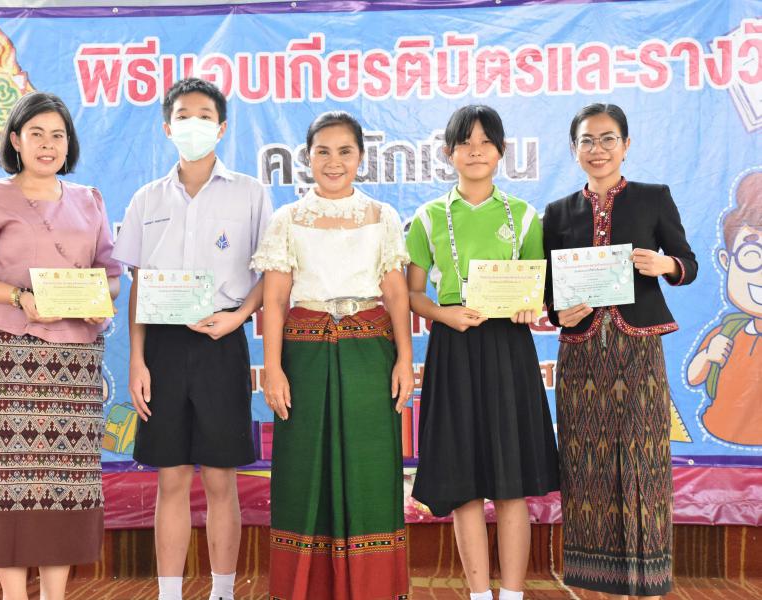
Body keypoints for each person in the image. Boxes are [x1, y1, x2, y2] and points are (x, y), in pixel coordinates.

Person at [0, 91, 122, 600]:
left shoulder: (89, 199)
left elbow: (110, 276)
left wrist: (99, 300)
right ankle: (14, 594)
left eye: (58, 135)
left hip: (74, 360)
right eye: (37, 134)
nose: (48, 144)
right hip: (10, 355)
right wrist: (20, 298)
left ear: (69, 144)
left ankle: (54, 595)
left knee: (67, 482)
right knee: (10, 480)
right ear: (16, 141)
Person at [111, 78, 272, 600]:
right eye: (183, 115)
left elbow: (272, 273)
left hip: (221, 339)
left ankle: (223, 590)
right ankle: (170, 593)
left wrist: (239, 317)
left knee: (221, 477)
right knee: (172, 477)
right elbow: (137, 283)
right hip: (162, 346)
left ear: (221, 128)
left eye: (205, 115)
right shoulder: (147, 198)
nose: (194, 124)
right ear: (167, 127)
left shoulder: (250, 192)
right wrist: (137, 360)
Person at [252, 110, 413, 599]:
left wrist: (404, 361)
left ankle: (372, 587)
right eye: (323, 151)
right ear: (307, 158)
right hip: (304, 355)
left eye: (345, 151)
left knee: (370, 468)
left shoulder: (382, 217)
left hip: (369, 354)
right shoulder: (287, 219)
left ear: (361, 157)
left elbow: (397, 295)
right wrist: (273, 369)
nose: (334, 161)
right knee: (303, 468)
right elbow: (275, 299)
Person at [542, 103, 697, 599]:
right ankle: (593, 581)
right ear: (574, 149)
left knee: (643, 460)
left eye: (608, 139)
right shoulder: (558, 212)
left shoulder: (654, 198)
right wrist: (558, 313)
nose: (598, 149)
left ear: (626, 145)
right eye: (587, 140)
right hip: (580, 352)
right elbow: (549, 291)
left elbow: (688, 262)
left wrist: (665, 265)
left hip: (638, 348)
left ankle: (646, 582)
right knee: (584, 461)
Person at [405, 104, 559, 600]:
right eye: (464, 143)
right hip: (454, 345)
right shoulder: (428, 217)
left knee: (511, 483)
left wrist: (530, 304)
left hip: (508, 348)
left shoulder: (525, 215)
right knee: (464, 482)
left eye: (485, 142)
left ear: (501, 151)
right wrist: (443, 314)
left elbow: (539, 287)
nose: (475, 151)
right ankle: (477, 593)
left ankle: (511, 593)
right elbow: (412, 294)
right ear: (448, 153)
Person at [687, 171, 762, 445]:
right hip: (717, 427)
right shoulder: (729, 330)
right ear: (726, 260)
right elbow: (694, 378)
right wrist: (708, 355)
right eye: (752, 257)